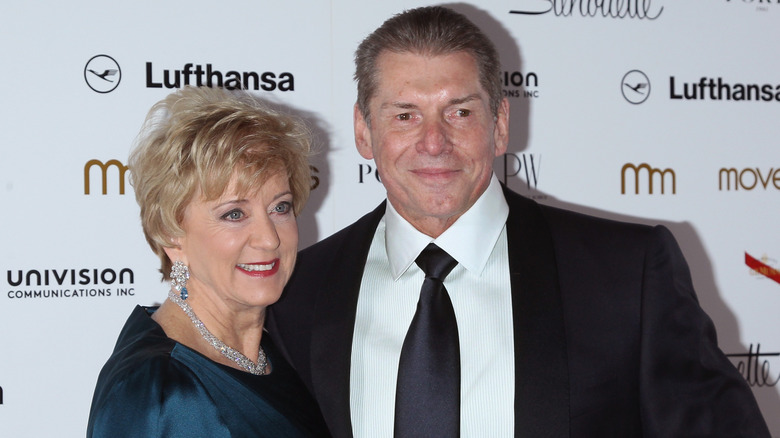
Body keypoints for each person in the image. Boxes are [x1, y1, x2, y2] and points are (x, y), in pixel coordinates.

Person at [268, 6, 770, 438]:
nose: (433, 142)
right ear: (363, 131)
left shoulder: (628, 276)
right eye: (404, 115)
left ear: (501, 124)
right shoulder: (297, 293)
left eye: (459, 112)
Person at [87, 86, 330, 437]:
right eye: (234, 213)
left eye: (280, 207)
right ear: (171, 234)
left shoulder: (278, 351)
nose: (269, 238)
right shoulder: (159, 391)